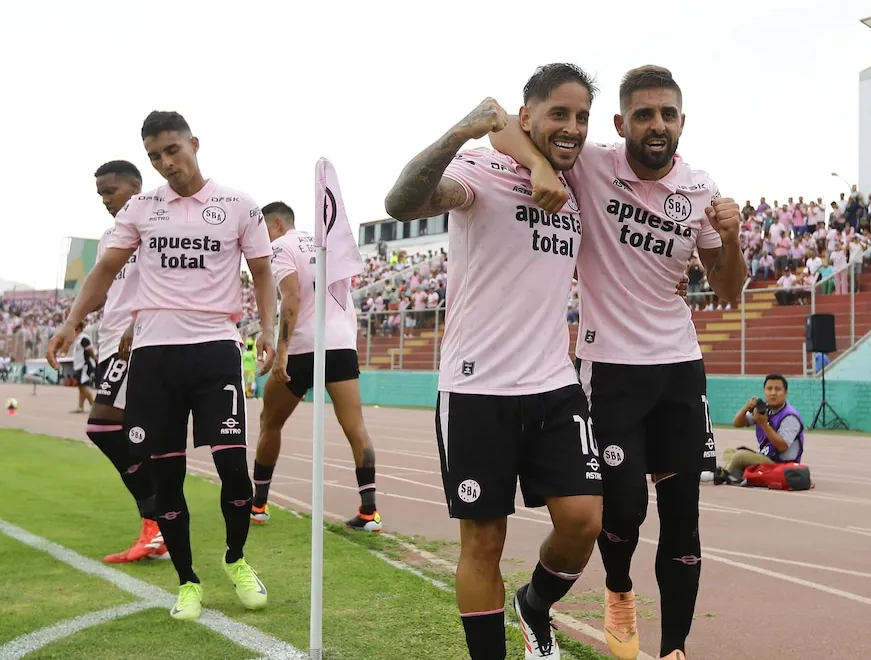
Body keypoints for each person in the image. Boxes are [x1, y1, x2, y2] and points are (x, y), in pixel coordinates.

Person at [492, 64, 747, 660]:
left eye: (667, 114)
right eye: (644, 114)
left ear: (682, 122)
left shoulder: (701, 188)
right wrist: (534, 165)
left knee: (683, 517)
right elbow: (502, 124)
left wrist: (731, 238)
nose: (657, 126)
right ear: (621, 123)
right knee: (624, 507)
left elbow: (730, 291)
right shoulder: (591, 163)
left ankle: (674, 648)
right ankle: (619, 589)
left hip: (680, 368)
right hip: (608, 369)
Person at [382, 65, 603, 660]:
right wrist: (460, 133)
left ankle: (533, 605)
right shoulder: (479, 170)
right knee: (484, 541)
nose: (573, 127)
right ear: (528, 117)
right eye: (559, 113)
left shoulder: (579, 181)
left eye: (582, 116)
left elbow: (517, 127)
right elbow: (401, 203)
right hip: (477, 389)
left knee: (584, 521)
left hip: (555, 385)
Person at [47, 111, 277, 621]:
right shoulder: (142, 207)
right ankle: (187, 581)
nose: (166, 163)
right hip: (154, 357)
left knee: (233, 471)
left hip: (216, 349)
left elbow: (261, 272)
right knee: (166, 476)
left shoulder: (238, 204)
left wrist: (270, 330)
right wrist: (70, 323)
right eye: (155, 156)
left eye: (173, 150)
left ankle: (236, 559)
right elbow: (105, 270)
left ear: (194, 143)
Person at [249, 201, 381, 532]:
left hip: (304, 346)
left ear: (277, 224)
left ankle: (258, 504)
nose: (261, 238)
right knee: (356, 427)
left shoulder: (279, 247)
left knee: (270, 422)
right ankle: (369, 512)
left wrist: (281, 351)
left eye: (263, 229)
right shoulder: (324, 245)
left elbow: (290, 297)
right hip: (341, 343)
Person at [86, 159, 166, 564]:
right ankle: (159, 527)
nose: (104, 200)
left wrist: (139, 323)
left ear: (135, 186)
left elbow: (165, 281)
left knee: (102, 426)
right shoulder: (109, 237)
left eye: (110, 191)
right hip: (107, 346)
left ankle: (155, 522)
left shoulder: (156, 227)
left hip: (136, 343)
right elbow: (105, 287)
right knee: (139, 437)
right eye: (99, 193)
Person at [712, 374, 804, 486]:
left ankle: (725, 475)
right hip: (765, 458)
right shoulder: (763, 409)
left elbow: (782, 446)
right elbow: (737, 423)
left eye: (778, 389)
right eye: (769, 389)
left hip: (781, 464)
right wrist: (746, 407)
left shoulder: (789, 416)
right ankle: (734, 473)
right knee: (729, 452)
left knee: (740, 456)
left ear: (786, 393)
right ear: (764, 392)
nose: (773, 393)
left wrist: (763, 424)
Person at [69, 330, 97, 414]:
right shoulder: (78, 340)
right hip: (78, 366)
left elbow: (90, 350)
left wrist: (95, 359)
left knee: (84, 386)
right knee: (81, 386)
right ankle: (80, 407)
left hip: (84, 365)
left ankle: (93, 406)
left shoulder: (84, 339)